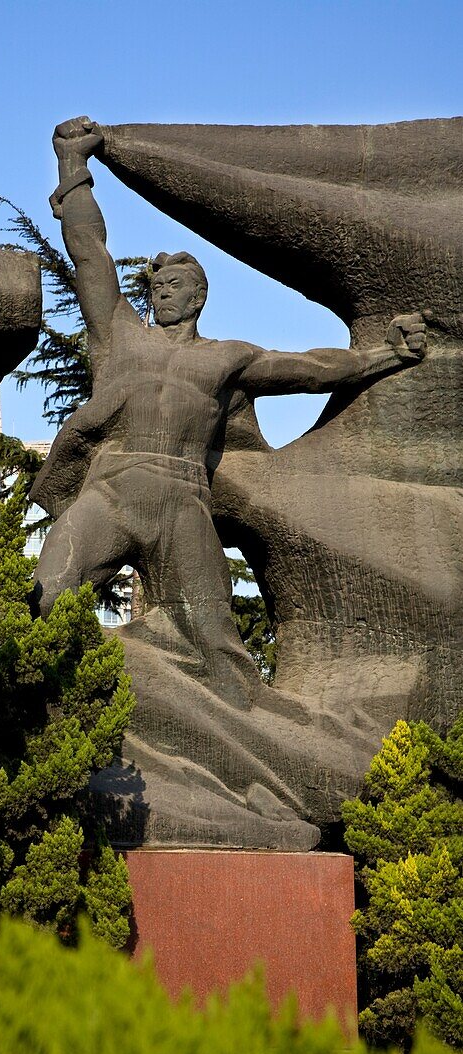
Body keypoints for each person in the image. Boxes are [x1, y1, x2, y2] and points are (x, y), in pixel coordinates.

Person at [31, 116, 426, 686]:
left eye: (174, 287)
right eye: (157, 287)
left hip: (182, 504)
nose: (161, 293)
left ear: (199, 296)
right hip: (111, 491)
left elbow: (310, 371)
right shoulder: (120, 335)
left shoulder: (227, 359)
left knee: (219, 650)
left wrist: (384, 356)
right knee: (47, 599)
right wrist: (74, 166)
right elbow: (91, 253)